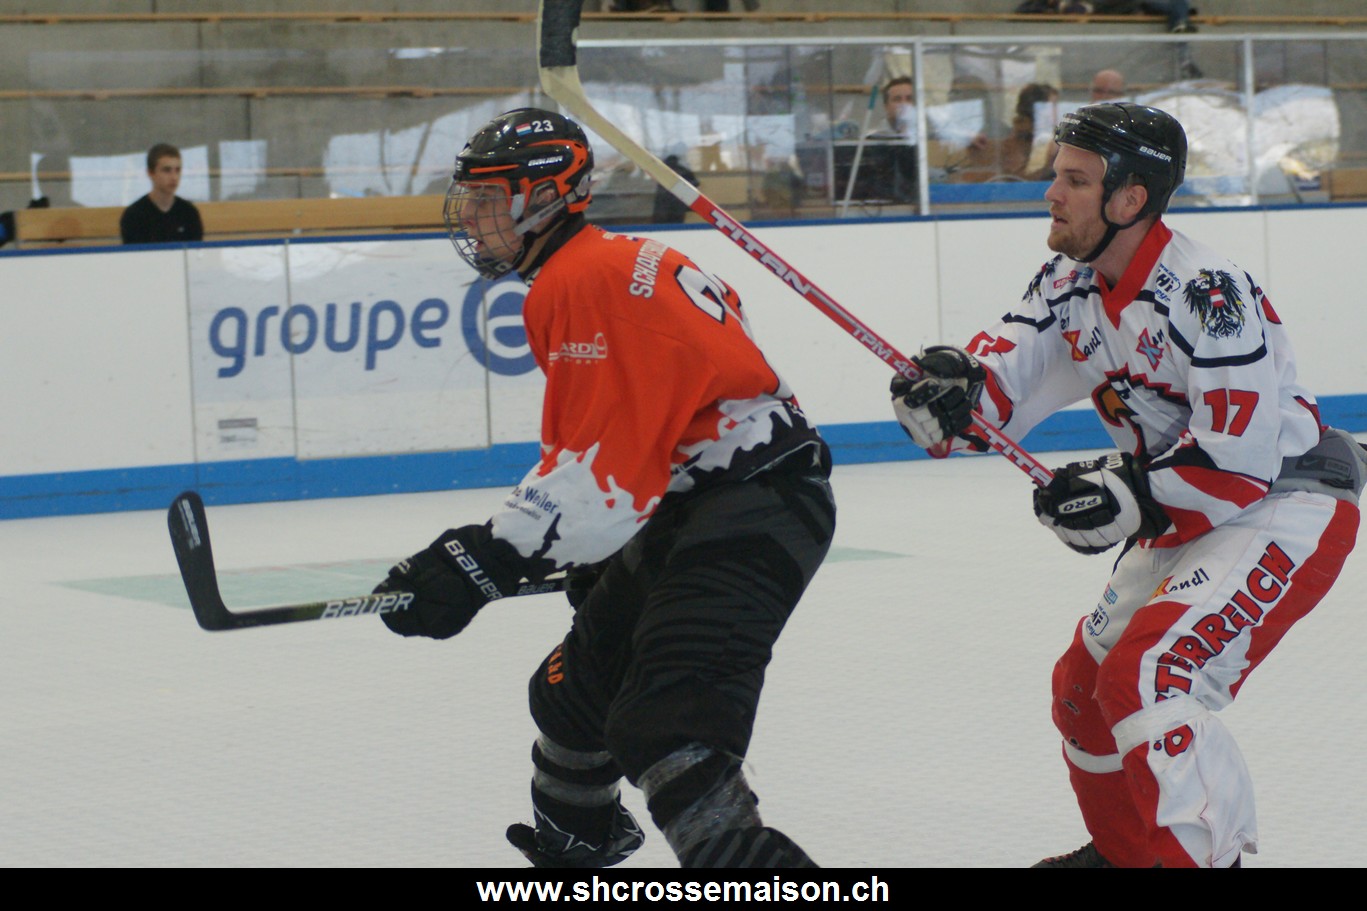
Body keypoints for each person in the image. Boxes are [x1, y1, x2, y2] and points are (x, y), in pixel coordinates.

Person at [889, 102, 1364, 867]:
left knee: (1151, 673)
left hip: (1282, 503)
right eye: (1056, 175)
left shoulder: (1207, 293)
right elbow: (997, 388)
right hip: (1182, 510)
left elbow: (1237, 461)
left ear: (1129, 198)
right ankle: (1127, 854)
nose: (1051, 194)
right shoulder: (1066, 283)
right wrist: (949, 393)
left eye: (1074, 181)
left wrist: (1128, 494)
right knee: (1081, 691)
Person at [374, 107, 836, 869]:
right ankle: (577, 843)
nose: (472, 217)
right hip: (698, 500)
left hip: (751, 505)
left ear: (545, 195)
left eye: (489, 197)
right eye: (471, 197)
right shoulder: (611, 262)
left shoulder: (580, 281)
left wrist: (484, 556)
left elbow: (600, 469)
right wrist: (594, 544)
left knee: (666, 726)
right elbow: (629, 439)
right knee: (573, 694)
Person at [119, 143, 203, 245]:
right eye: (167, 170)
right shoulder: (134, 216)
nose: (174, 177)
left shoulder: (189, 213)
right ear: (150, 173)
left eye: (177, 170)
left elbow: (195, 251)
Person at [651, 152, 700, 223]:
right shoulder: (683, 170)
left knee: (661, 223)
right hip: (678, 204)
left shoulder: (661, 170)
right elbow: (696, 183)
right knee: (676, 222)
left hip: (664, 204)